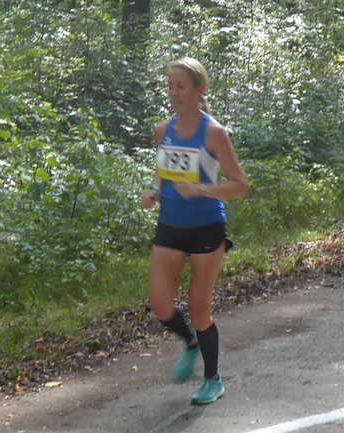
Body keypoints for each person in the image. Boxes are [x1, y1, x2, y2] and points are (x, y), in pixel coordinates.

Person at [140, 57, 249, 405]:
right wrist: (154, 190)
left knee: (199, 308)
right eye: (170, 86)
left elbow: (240, 185)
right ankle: (190, 343)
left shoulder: (214, 133)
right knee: (160, 305)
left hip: (206, 227)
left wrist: (202, 189)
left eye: (181, 87)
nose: (173, 93)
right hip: (170, 224)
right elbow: (164, 172)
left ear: (199, 89)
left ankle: (212, 380)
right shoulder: (162, 130)